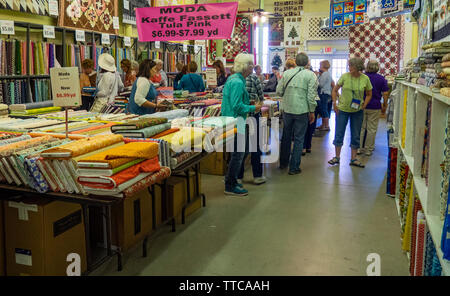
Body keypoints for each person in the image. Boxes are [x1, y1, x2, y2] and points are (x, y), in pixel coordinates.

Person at [222, 53, 262, 196]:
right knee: (239, 153)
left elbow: (236, 102)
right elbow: (237, 106)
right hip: (236, 120)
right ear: (246, 67)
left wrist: (248, 104)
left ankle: (231, 180)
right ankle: (230, 184)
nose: (252, 67)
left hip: (235, 119)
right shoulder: (238, 82)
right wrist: (253, 108)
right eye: (251, 65)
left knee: (241, 152)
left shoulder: (236, 79)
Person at [276, 53, 317, 175]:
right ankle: (294, 167)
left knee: (286, 137)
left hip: (287, 109)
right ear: (307, 63)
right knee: (299, 138)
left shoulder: (287, 73)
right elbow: (311, 96)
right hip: (302, 110)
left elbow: (278, 91)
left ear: (296, 61)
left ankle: (283, 163)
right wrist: (312, 111)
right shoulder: (311, 75)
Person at [328, 57, 373, 168]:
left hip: (357, 111)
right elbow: (335, 90)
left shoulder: (365, 78)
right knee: (339, 133)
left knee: (356, 134)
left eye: (351, 66)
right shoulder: (345, 76)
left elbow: (369, 94)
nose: (349, 67)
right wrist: (334, 103)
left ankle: (353, 158)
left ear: (357, 67)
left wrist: (364, 105)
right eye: (349, 65)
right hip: (342, 109)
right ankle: (337, 157)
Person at [238, 63, 266, 185]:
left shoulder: (235, 79)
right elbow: (261, 95)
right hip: (253, 115)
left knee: (240, 147)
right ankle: (257, 176)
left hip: (240, 117)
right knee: (255, 146)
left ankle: (238, 176)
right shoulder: (254, 78)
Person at [359, 60, 389, 156]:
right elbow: (385, 93)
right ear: (377, 67)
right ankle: (368, 149)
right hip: (375, 106)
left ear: (367, 66)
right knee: (372, 128)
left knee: (361, 127)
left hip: (361, 105)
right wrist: (384, 105)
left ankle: (359, 148)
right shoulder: (381, 78)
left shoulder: (361, 77)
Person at [316, 60, 332, 131]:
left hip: (324, 93)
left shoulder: (325, 74)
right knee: (323, 109)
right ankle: (323, 125)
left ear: (323, 66)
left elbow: (321, 84)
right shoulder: (326, 73)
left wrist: (316, 79)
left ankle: (326, 126)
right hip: (326, 93)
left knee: (324, 109)